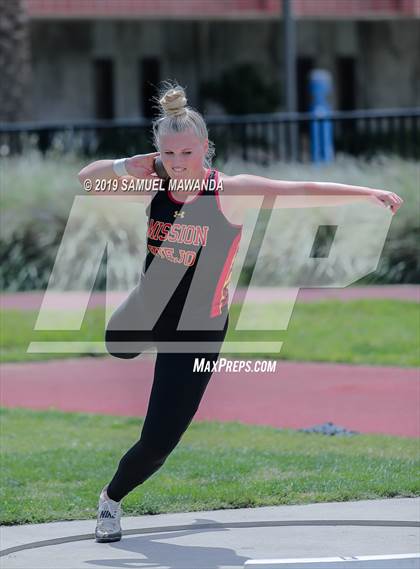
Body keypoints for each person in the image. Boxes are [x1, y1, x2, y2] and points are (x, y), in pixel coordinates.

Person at [77, 81, 403, 543]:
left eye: (187, 153)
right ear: (158, 155)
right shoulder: (155, 182)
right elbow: (88, 180)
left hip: (200, 327)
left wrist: (367, 192)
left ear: (206, 149)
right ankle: (143, 336)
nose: (178, 163)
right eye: (169, 155)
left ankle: (110, 501)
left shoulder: (229, 191)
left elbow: (300, 190)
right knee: (117, 344)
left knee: (158, 443)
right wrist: (127, 165)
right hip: (152, 306)